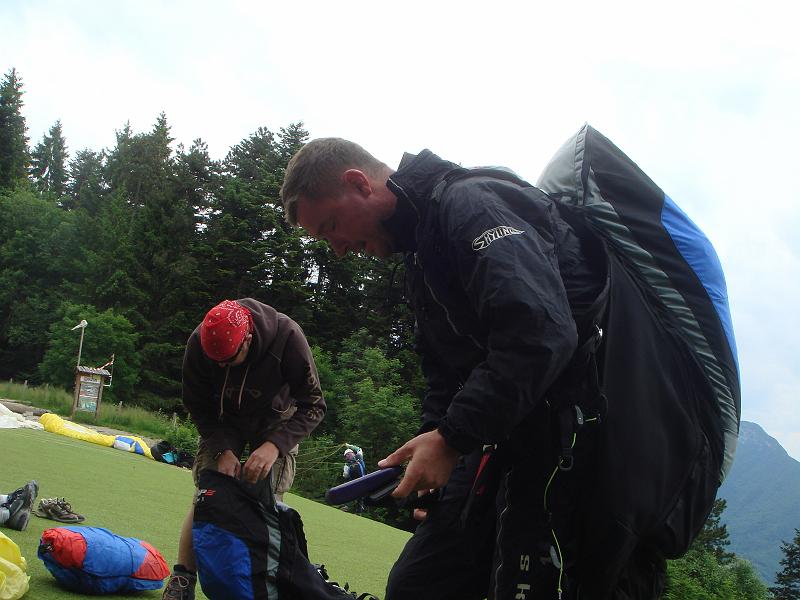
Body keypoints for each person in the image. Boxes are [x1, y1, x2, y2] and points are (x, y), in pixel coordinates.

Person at [280, 138, 717, 599]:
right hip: (512, 436)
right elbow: (445, 375)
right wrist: (435, 459)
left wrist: (450, 440)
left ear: (358, 184)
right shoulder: (423, 255)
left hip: (585, 441)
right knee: (420, 585)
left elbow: (540, 333)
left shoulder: (471, 205)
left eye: (331, 226)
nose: (340, 249)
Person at [162, 299, 326, 600]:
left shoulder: (288, 337)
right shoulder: (200, 342)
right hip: (223, 421)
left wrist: (275, 446)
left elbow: (314, 406)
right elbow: (197, 405)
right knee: (207, 496)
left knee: (264, 501)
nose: (221, 366)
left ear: (247, 339)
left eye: (228, 359)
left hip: (277, 421)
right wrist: (222, 449)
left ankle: (258, 587)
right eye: (216, 361)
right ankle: (183, 577)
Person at [342, 443, 366, 512]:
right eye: (346, 456)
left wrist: (349, 446)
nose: (347, 456)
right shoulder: (346, 465)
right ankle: (346, 506)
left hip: (362, 480)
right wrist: (345, 472)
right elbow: (345, 475)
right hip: (353, 482)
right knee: (348, 492)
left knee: (360, 497)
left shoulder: (359, 456)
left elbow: (359, 449)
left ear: (353, 453)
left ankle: (359, 510)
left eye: (349, 454)